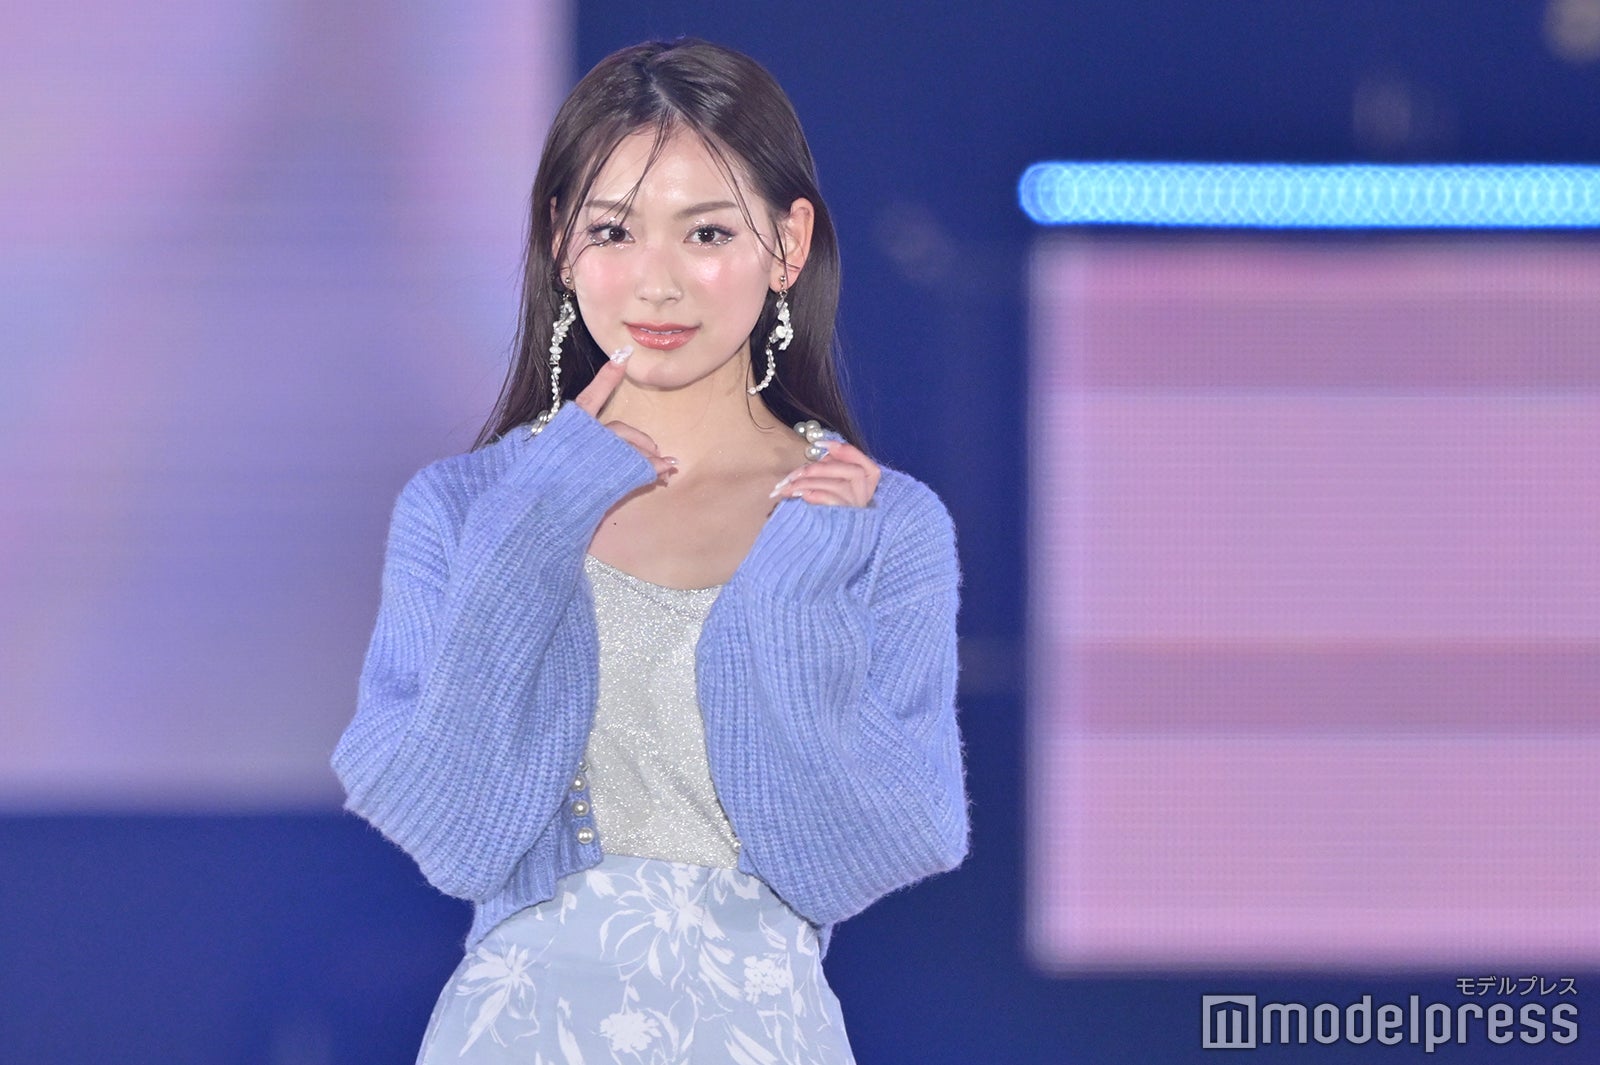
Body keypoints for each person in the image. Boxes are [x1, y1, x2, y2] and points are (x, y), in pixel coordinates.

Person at [331, 37, 968, 1064]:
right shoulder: (463, 509)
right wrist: (544, 511)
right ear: (560, 242)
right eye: (614, 231)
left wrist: (796, 582)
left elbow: (866, 854)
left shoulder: (884, 527)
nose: (657, 282)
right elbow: (448, 832)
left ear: (788, 244)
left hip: (760, 1032)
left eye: (706, 232)